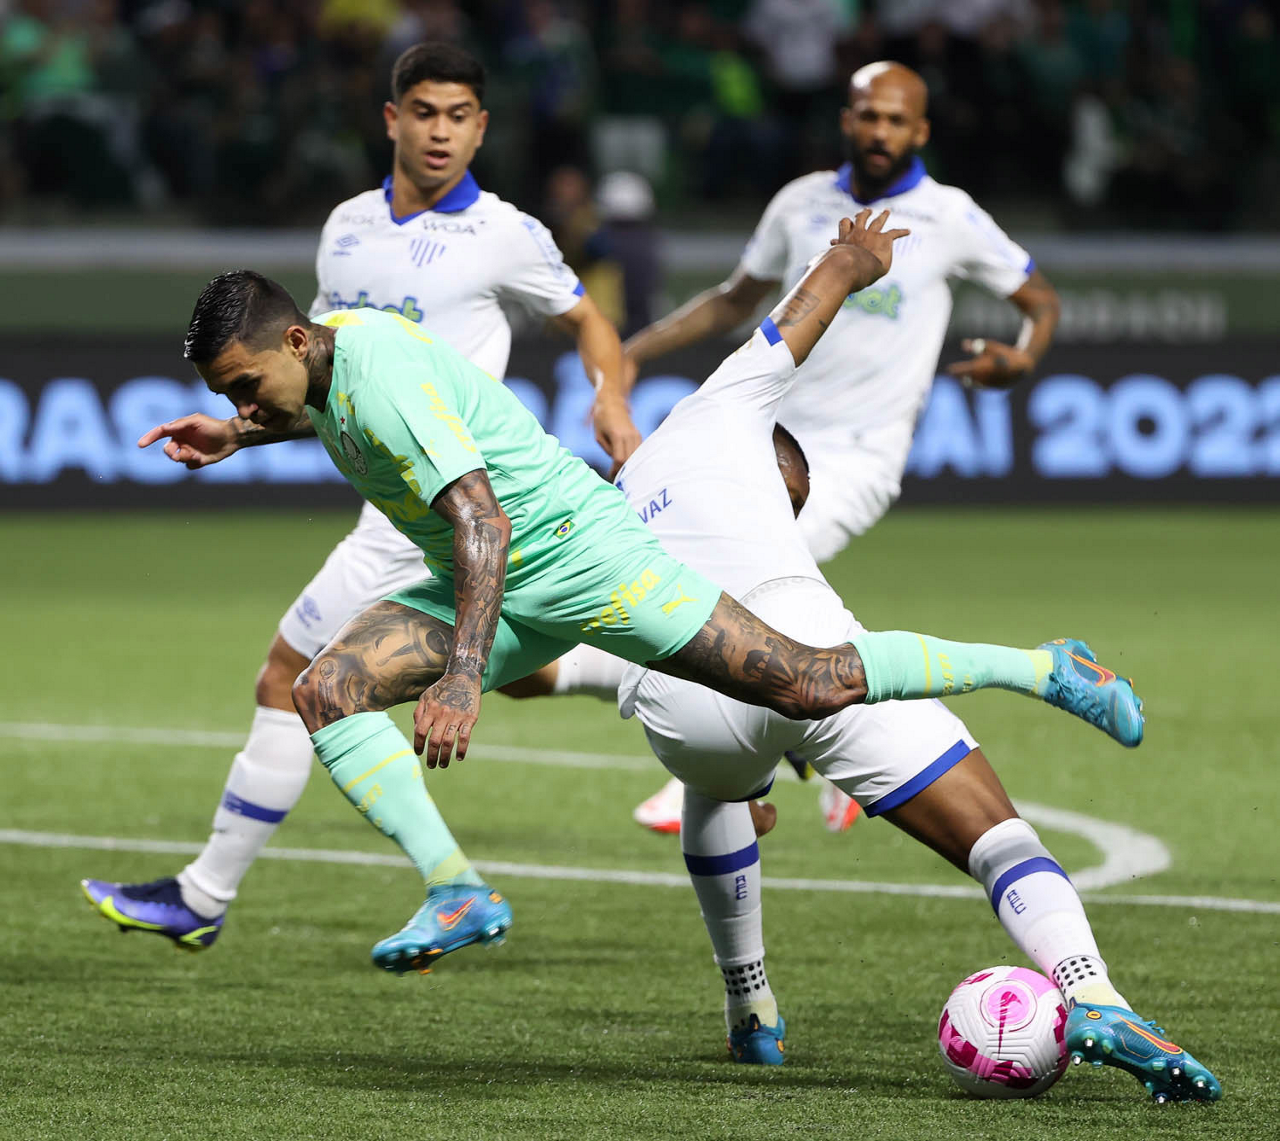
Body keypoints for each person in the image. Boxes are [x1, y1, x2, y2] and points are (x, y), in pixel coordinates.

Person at [133, 209, 1141, 978]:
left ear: (295, 342)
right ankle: (457, 888)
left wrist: (463, 677)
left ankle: (1043, 666)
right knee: (325, 688)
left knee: (808, 683)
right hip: (489, 576)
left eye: (243, 386)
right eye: (227, 394)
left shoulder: (381, 377)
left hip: (583, 557)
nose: (241, 400)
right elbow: (326, 422)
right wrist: (240, 433)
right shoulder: (324, 357)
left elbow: (484, 521)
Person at [608, 210, 1217, 1103]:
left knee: (719, 794)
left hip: (681, 716)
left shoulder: (619, 497)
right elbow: (799, 311)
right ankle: (1092, 989)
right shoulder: (728, 404)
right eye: (794, 498)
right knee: (998, 838)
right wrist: (853, 257)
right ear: (781, 470)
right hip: (803, 646)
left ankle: (751, 1007)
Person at [80, 41, 641, 967]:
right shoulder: (345, 228)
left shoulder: (505, 232)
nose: (440, 132)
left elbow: (587, 318)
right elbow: (314, 373)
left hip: (440, 502)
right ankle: (683, 682)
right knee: (519, 664)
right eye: (424, 112)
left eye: (458, 116)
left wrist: (610, 394)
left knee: (292, 678)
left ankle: (213, 894)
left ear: (481, 128)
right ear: (392, 118)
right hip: (392, 501)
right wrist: (240, 431)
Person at [619, 59, 1064, 833]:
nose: (880, 131)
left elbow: (1041, 299)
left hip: (862, 453)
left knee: (749, 583)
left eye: (896, 120)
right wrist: (634, 350)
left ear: (921, 130)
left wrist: (1022, 359)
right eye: (868, 115)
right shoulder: (800, 203)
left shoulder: (950, 215)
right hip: (773, 445)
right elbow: (734, 299)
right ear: (846, 120)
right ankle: (813, 757)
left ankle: (727, 781)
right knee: (733, 584)